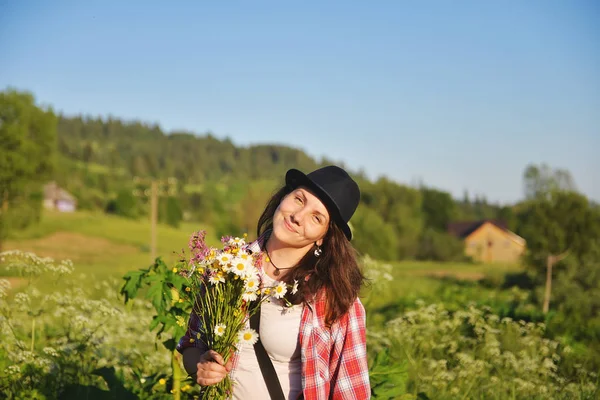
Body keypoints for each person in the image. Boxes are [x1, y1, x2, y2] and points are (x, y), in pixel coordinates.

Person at [177, 165, 370, 399]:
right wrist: (200, 365)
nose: (298, 217)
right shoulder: (227, 266)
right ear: (284, 196)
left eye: (316, 217)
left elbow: (352, 392)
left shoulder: (336, 299)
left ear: (324, 237)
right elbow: (190, 345)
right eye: (299, 199)